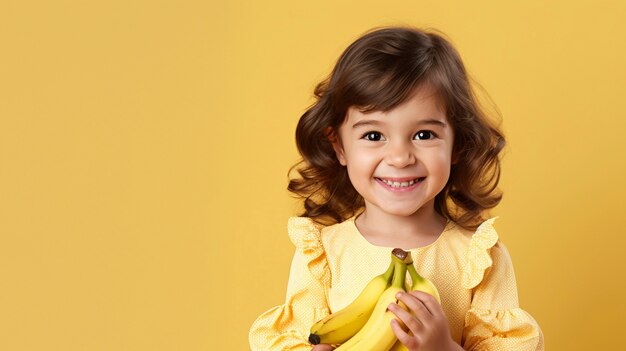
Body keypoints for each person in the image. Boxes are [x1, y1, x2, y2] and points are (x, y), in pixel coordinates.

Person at [249, 26, 544, 351]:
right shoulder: (322, 256)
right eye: (374, 136)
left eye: (424, 135)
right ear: (339, 147)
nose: (400, 157)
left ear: (456, 144)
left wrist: (444, 347)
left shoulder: (479, 259)